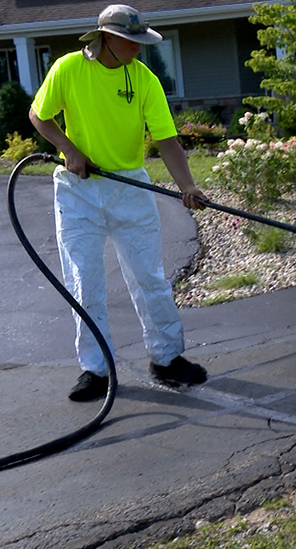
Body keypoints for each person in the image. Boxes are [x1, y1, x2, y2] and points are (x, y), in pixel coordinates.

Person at [29, 4, 209, 401]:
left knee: (150, 278)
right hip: (79, 191)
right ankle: (95, 370)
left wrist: (188, 186)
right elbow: (39, 116)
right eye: (132, 42)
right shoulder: (68, 69)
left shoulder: (144, 79)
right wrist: (68, 149)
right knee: (84, 282)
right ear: (108, 38)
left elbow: (166, 140)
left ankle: (167, 358)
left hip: (130, 186)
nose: (140, 49)